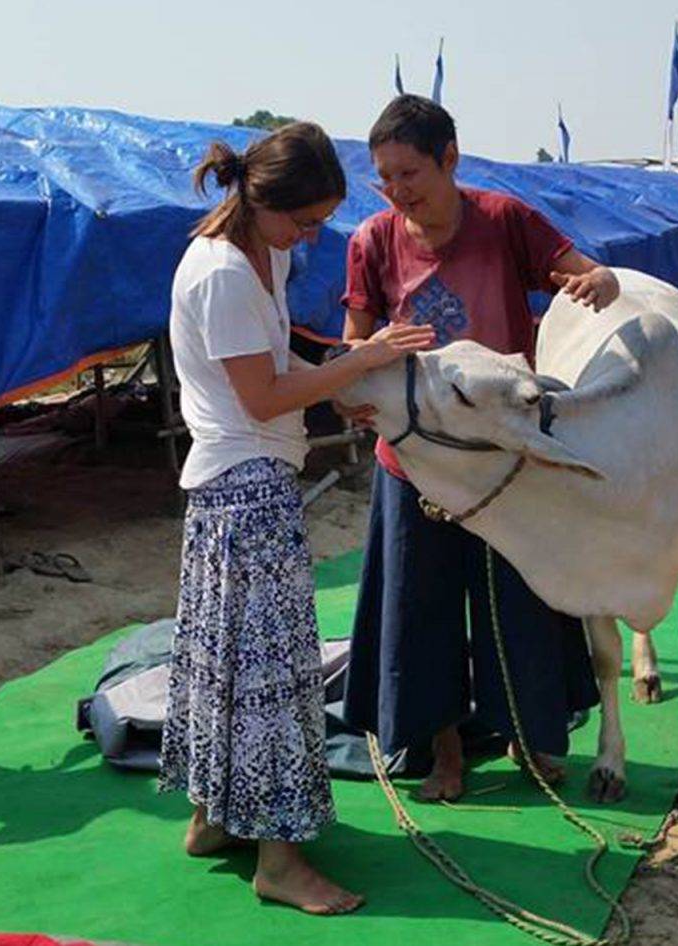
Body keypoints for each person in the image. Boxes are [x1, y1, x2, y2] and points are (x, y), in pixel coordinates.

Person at [157, 123, 434, 915]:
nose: (309, 237)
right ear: (263, 198)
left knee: (224, 661)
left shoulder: (261, 254)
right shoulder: (221, 276)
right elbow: (265, 397)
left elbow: (281, 368)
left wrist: (342, 383)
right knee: (274, 677)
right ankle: (279, 860)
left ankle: (213, 817)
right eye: (304, 221)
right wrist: (364, 360)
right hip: (245, 490)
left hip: (237, 481)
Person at [341, 95, 620, 802]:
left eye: (411, 174)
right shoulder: (372, 240)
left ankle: (533, 741)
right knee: (422, 604)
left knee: (519, 600)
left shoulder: (504, 221)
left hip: (502, 460)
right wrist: (360, 368)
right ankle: (446, 758)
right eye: (386, 178)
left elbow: (592, 273)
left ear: (451, 160)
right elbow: (354, 342)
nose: (399, 191)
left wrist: (598, 281)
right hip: (416, 460)